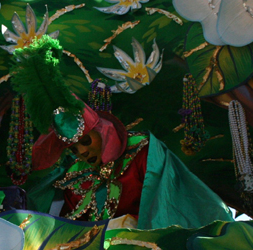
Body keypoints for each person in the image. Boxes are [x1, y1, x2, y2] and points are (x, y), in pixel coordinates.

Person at [12, 35, 233, 228]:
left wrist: (129, 225)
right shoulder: (74, 177)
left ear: (100, 131)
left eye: (86, 141)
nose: (81, 152)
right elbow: (71, 227)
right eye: (74, 148)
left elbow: (170, 202)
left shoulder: (143, 151)